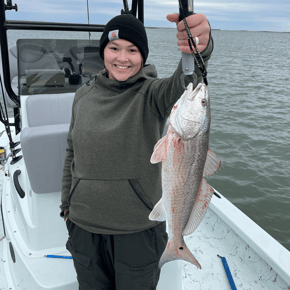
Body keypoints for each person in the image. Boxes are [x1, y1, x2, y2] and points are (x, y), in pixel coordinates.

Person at [60, 11, 213, 290]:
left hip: (138, 232)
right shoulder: (83, 95)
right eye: (114, 48)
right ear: (102, 51)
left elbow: (188, 80)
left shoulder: (154, 94)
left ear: (142, 56)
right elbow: (72, 151)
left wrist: (200, 45)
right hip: (83, 228)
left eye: (132, 50)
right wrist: (66, 208)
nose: (122, 58)